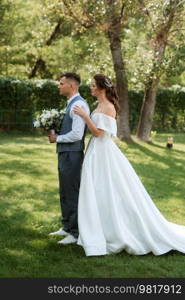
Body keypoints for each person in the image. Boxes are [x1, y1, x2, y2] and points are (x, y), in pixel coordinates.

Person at [73, 73, 185, 256]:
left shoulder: (108, 107)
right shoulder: (100, 105)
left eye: (93, 85)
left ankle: (116, 229)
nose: (91, 87)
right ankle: (98, 225)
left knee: (107, 188)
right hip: (96, 152)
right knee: (98, 189)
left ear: (101, 88)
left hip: (104, 154)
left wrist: (85, 116)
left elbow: (99, 133)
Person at [48, 72, 90, 244]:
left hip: (73, 154)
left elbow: (77, 134)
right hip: (66, 153)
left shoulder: (78, 104)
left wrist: (57, 138)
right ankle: (66, 226)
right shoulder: (70, 104)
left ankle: (74, 232)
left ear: (72, 86)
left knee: (71, 192)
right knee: (64, 191)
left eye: (61, 83)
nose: (59, 86)